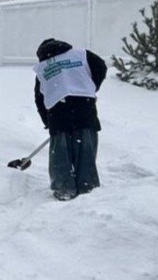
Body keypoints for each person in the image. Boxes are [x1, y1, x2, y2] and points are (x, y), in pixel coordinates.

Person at [32, 38, 107, 200]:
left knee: (60, 156)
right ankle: (87, 188)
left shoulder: (43, 67)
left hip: (58, 116)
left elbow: (39, 99)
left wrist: (48, 122)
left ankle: (63, 188)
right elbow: (100, 66)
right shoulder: (80, 54)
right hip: (84, 110)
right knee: (85, 151)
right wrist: (89, 87)